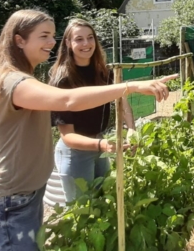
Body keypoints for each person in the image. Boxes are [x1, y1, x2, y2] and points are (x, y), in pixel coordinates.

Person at [0, 9, 176, 251]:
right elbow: (69, 102)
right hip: (8, 203)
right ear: (19, 40)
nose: (51, 42)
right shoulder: (13, 82)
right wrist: (130, 86)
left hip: (23, 196)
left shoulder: (25, 78)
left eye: (53, 36)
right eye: (44, 36)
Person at [48, 18, 134, 202]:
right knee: (82, 210)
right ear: (68, 44)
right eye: (79, 39)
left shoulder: (103, 72)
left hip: (99, 143)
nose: (86, 44)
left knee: (104, 201)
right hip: (75, 152)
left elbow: (122, 100)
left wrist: (132, 129)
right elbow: (68, 137)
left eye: (90, 37)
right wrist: (101, 145)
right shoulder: (62, 80)